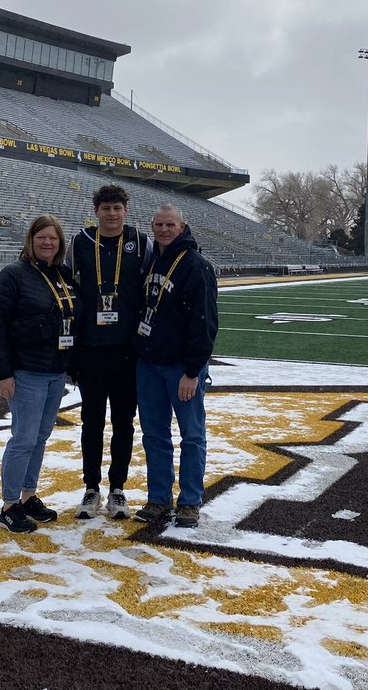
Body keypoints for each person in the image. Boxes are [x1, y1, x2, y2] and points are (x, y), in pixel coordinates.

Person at [0, 214, 81, 533]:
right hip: (26, 370)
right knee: (23, 438)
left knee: (40, 437)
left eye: (53, 238)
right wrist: (3, 372)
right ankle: (9, 504)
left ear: (60, 244)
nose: (47, 242)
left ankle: (28, 496)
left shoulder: (62, 273)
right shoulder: (13, 275)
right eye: (42, 237)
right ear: (30, 240)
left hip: (55, 370)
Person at [67, 184, 153, 520]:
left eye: (117, 208)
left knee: (124, 424)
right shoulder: (80, 242)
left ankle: (118, 489)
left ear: (126, 210)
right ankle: (91, 488)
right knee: (91, 423)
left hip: (127, 351)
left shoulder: (140, 242)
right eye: (106, 208)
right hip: (91, 350)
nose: (112, 214)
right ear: (96, 211)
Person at [133, 204, 219, 529]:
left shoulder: (196, 266)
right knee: (154, 435)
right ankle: (159, 498)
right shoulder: (152, 260)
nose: (164, 229)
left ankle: (190, 501)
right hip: (149, 364)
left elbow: (205, 324)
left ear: (183, 227)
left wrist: (193, 371)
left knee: (192, 435)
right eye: (159, 224)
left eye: (170, 224)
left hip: (181, 368)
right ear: (152, 226)